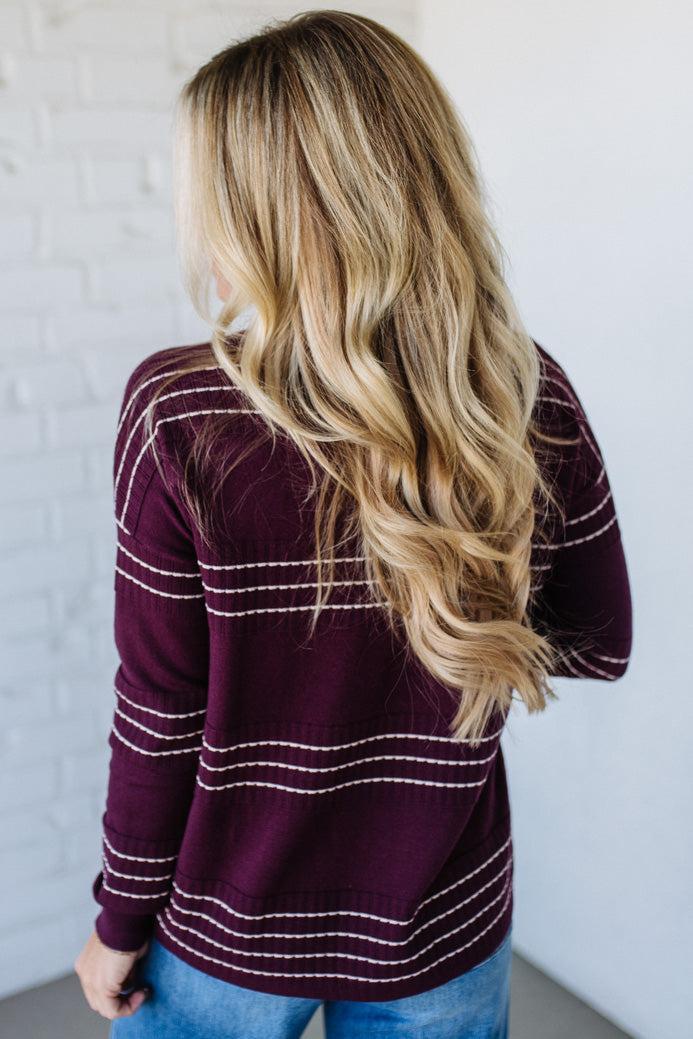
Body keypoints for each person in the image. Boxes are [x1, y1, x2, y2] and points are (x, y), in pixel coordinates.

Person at [73, 10, 633, 1038]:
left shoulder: (180, 412)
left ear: (256, 213)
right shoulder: (523, 390)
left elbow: (159, 712)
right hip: (440, 919)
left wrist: (117, 920)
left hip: (227, 928)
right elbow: (598, 642)